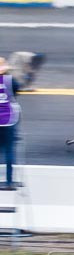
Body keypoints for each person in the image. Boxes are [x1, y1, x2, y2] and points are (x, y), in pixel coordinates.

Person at [0, 57, 19, 189]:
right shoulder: (10, 80)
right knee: (9, 150)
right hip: (8, 119)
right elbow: (16, 92)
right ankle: (9, 181)